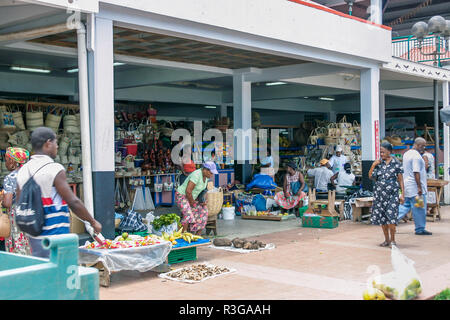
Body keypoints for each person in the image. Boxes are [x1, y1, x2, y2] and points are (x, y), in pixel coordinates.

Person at [16, 127, 102, 258]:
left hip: (34, 236)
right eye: (56, 142)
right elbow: (73, 201)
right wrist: (92, 221)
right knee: (62, 274)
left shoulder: (23, 170)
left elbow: (19, 202)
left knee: (44, 272)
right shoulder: (54, 169)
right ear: (48, 143)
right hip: (56, 236)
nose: (57, 146)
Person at [369, 142, 405, 247]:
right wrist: (373, 165)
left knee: (391, 218)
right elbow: (371, 176)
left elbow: (401, 180)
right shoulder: (378, 163)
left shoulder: (396, 163)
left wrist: (402, 194)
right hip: (379, 196)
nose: (381, 154)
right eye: (380, 152)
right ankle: (386, 240)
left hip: (392, 195)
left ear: (389, 152)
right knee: (383, 218)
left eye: (383, 152)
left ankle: (393, 240)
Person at [398, 137, 432, 235]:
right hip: (416, 189)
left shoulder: (406, 154)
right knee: (419, 208)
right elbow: (416, 172)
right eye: (423, 146)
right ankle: (420, 229)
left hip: (408, 187)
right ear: (418, 145)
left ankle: (391, 221)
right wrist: (419, 187)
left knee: (405, 206)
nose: (424, 148)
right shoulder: (416, 156)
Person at [1, 147, 32, 255]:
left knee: (18, 245)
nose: (5, 163)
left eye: (7, 160)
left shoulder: (10, 177)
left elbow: (8, 203)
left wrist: (2, 201)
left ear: (13, 161)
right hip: (31, 214)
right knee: (29, 243)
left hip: (17, 216)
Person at [175, 161, 218, 235]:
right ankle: (181, 235)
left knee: (203, 211)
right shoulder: (196, 175)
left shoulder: (206, 177)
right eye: (211, 173)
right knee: (188, 215)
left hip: (191, 198)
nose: (211, 175)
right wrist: (192, 203)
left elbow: (201, 191)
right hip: (182, 196)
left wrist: (202, 201)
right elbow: (188, 191)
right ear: (205, 170)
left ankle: (197, 236)